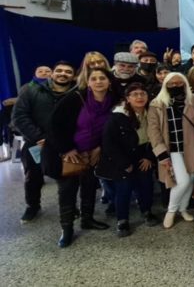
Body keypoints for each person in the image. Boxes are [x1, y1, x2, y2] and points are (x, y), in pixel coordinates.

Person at [44, 67, 119, 247]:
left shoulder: (113, 100)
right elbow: (55, 124)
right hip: (69, 153)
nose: (98, 81)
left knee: (89, 187)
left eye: (102, 78)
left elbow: (112, 128)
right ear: (88, 81)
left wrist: (100, 147)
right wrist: (67, 149)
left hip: (93, 152)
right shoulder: (75, 98)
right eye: (94, 78)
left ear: (109, 82)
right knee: (67, 191)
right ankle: (67, 229)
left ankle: (87, 219)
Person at [12, 61, 78, 223]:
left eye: (68, 72)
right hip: (36, 143)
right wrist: (38, 138)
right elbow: (19, 116)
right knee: (33, 177)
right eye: (59, 70)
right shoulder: (30, 90)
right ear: (52, 73)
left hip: (66, 145)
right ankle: (32, 206)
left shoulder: (77, 93)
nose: (63, 74)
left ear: (73, 76)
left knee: (67, 178)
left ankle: (69, 207)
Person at [95, 83, 160, 237]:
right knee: (123, 189)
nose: (139, 97)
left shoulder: (151, 113)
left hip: (143, 155)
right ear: (127, 98)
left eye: (143, 94)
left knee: (146, 185)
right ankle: (122, 220)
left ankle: (146, 211)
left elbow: (156, 137)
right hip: (122, 158)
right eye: (135, 94)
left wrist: (149, 157)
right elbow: (109, 143)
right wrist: (124, 164)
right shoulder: (117, 117)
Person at [147, 72, 194, 229]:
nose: (176, 86)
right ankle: (171, 211)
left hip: (192, 147)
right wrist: (161, 153)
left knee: (190, 180)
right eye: (171, 84)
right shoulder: (157, 104)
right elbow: (153, 130)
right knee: (182, 181)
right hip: (172, 150)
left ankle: (183, 209)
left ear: (185, 84)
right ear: (165, 85)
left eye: (179, 83)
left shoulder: (193, 100)